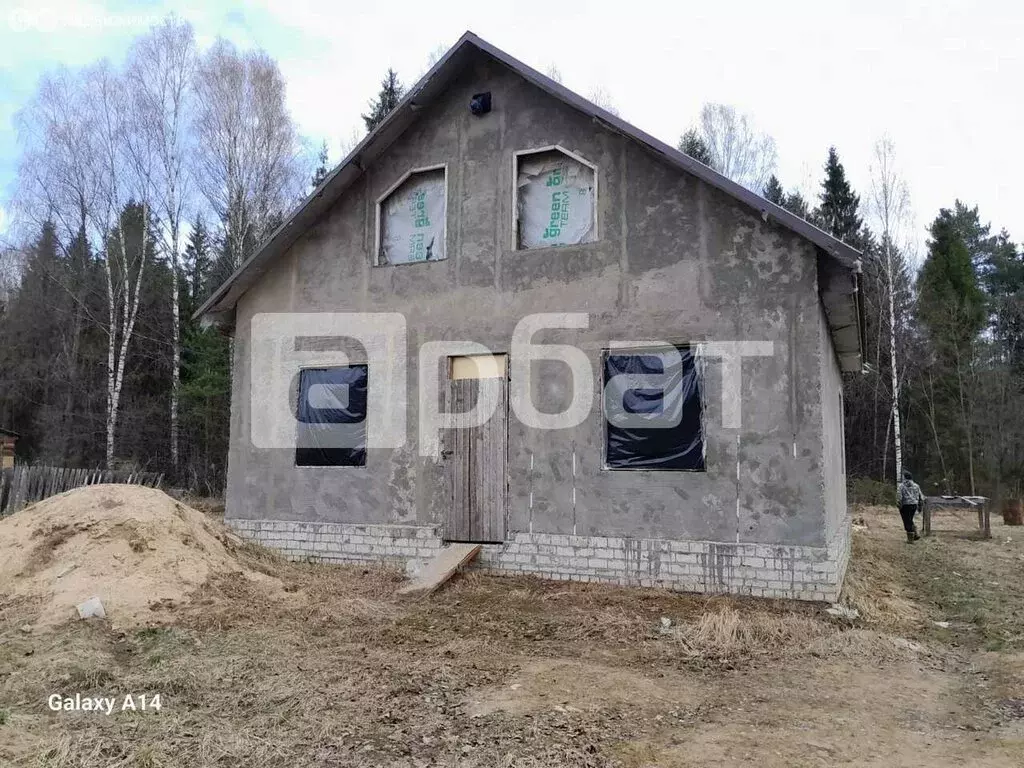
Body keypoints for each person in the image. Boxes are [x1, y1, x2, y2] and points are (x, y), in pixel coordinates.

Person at [898, 470, 924, 542]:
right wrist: (919, 505)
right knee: (910, 519)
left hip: (905, 505)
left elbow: (899, 497)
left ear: (905, 477)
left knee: (907, 521)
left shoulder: (901, 486)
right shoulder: (916, 485)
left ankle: (910, 539)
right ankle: (915, 533)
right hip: (914, 505)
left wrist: (899, 505)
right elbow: (921, 496)